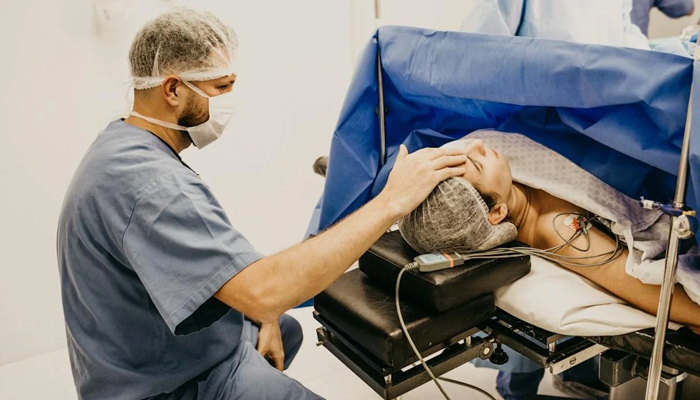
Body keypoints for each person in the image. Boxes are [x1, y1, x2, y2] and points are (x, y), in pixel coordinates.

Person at [56, 7, 468, 400]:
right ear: (174, 88)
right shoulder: (152, 185)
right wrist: (391, 201)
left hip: (162, 353)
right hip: (174, 386)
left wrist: (264, 312)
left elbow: (216, 258)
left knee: (285, 327)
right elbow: (266, 291)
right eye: (221, 87)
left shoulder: (124, 146)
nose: (230, 100)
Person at [399, 139, 700, 399]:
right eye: (477, 164)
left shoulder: (498, 182)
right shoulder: (559, 231)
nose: (477, 148)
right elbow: (632, 283)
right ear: (496, 211)